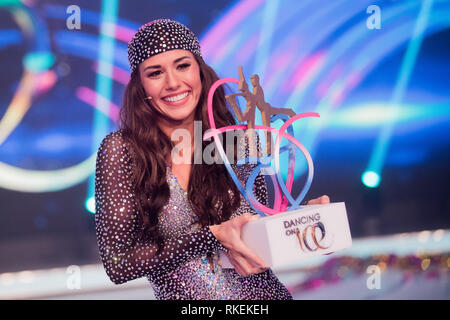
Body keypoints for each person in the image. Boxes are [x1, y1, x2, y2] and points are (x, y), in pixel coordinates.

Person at [94, 19, 330, 300]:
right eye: (155, 73)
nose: (173, 83)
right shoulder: (122, 150)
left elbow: (257, 230)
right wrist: (212, 236)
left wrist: (303, 218)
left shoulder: (237, 140)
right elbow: (118, 264)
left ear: (201, 72)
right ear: (140, 86)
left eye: (183, 66)